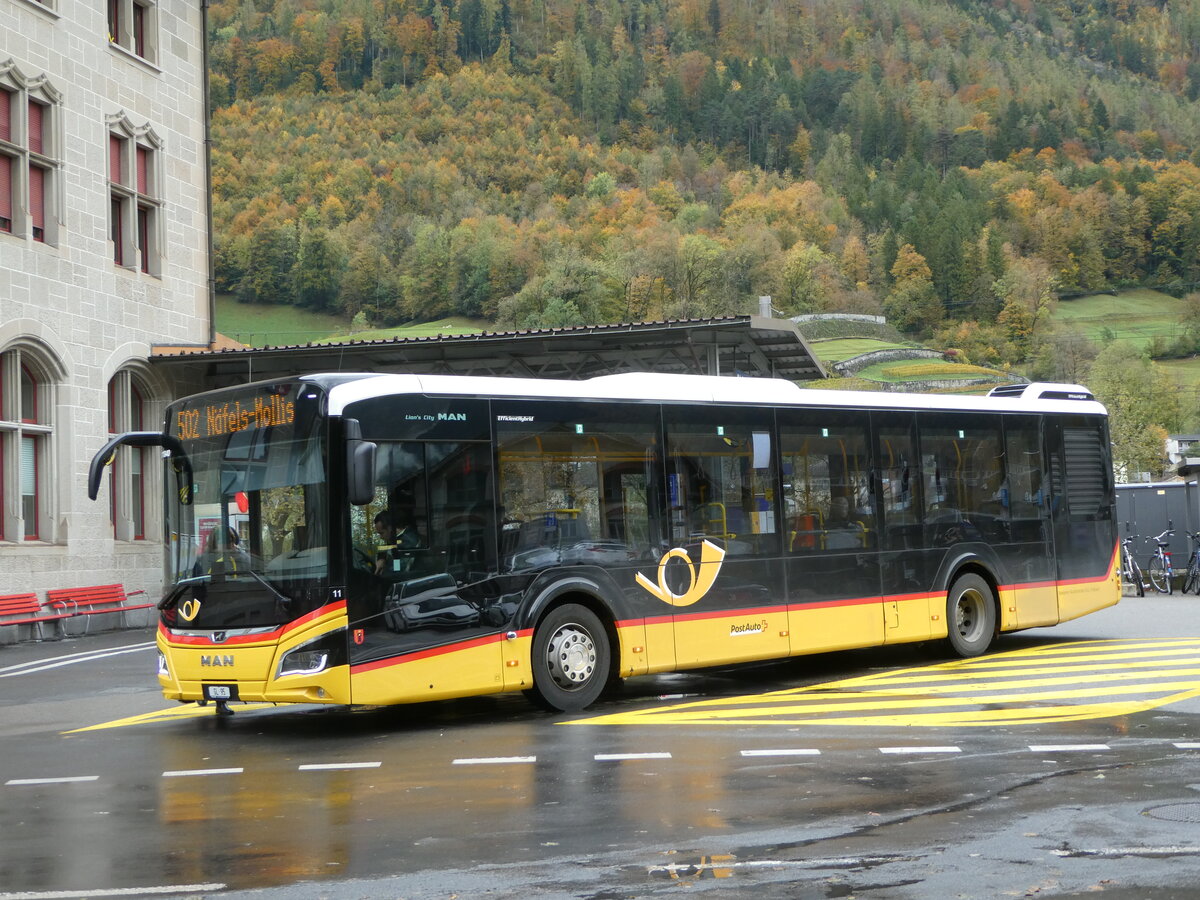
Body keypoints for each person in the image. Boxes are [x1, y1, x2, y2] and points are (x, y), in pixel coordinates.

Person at [374, 510, 420, 575]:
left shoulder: (407, 542)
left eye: (382, 533)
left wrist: (384, 569)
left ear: (390, 528)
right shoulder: (396, 539)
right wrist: (382, 559)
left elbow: (397, 569)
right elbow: (385, 550)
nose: (381, 537)